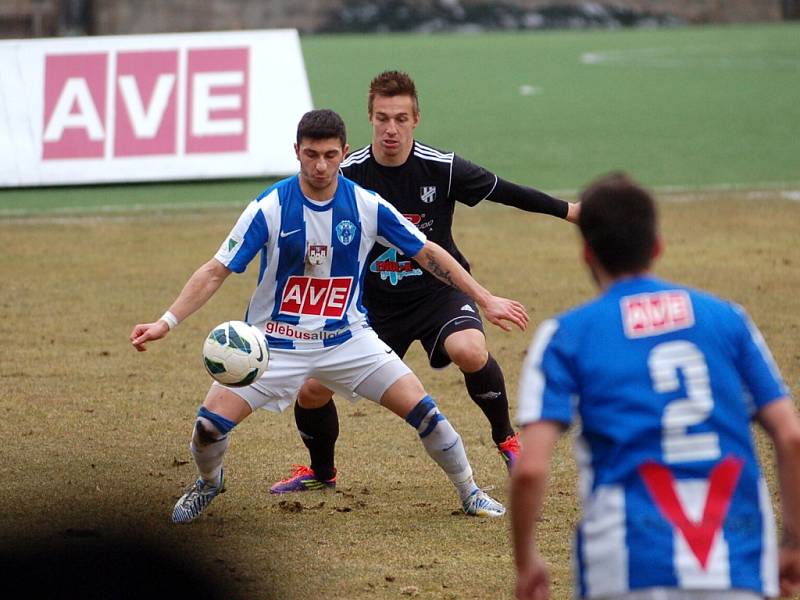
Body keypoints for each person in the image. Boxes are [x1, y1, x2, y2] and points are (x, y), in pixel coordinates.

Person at [129, 109, 529, 524]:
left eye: (330, 155)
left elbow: (427, 252)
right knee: (207, 429)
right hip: (273, 346)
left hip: (348, 340)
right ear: (297, 152)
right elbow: (216, 270)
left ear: (344, 154)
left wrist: (485, 298)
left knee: (428, 415)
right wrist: (166, 322)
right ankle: (208, 483)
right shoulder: (269, 207)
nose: (320, 165)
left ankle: (470, 493)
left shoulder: (366, 205)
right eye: (311, 154)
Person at [269, 70, 579, 494]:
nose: (390, 129)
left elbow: (506, 192)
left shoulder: (443, 168)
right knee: (312, 390)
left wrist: (570, 211)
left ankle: (507, 440)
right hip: (371, 306)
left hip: (439, 292)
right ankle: (322, 473)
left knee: (469, 350)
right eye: (381, 118)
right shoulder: (348, 174)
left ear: (416, 119)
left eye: (400, 118)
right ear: (370, 119)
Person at [511, 173, 800, 599]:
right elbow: (790, 437)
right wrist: (793, 541)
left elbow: (531, 468)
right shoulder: (728, 320)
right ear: (657, 246)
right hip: (736, 564)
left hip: (624, 569)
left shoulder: (567, 335)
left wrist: (527, 560)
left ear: (587, 254)